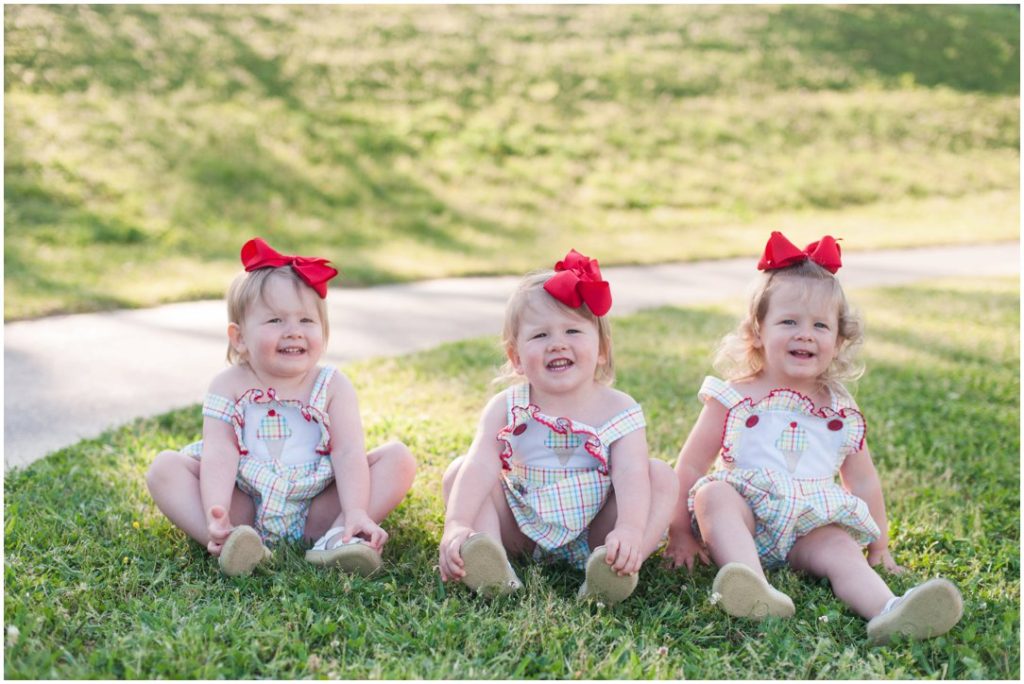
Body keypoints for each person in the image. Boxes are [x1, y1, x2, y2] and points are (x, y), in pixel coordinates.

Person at [664, 231, 962, 644]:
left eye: (820, 325)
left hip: (808, 526)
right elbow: (692, 465)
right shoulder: (733, 395)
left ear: (839, 340)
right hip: (743, 519)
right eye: (789, 322)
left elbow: (862, 481)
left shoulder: (839, 407)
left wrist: (880, 547)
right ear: (757, 331)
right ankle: (751, 586)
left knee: (841, 548)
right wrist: (680, 532)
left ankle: (889, 610)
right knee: (713, 494)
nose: (805, 334)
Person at [147, 237, 416, 577]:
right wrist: (218, 509)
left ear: (324, 330)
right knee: (164, 469)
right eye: (275, 321)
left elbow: (348, 451)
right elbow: (219, 452)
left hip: (316, 505)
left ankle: (338, 536)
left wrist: (356, 509)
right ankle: (231, 543)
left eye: (306, 321)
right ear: (239, 337)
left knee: (398, 459)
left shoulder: (333, 385)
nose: (293, 332)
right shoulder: (228, 385)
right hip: (246, 505)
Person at [439, 249, 678, 604]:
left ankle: (619, 567)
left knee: (660, 476)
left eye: (572, 330)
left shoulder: (619, 409)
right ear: (516, 357)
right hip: (521, 527)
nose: (557, 343)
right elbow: (481, 464)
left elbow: (630, 473)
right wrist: (456, 522)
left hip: (595, 531)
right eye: (540, 336)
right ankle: (490, 561)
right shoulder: (507, 407)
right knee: (459, 471)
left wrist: (627, 527)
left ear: (601, 349)